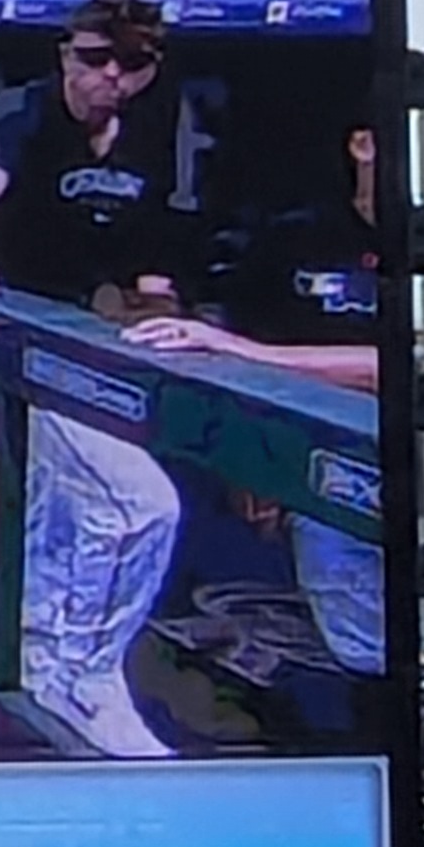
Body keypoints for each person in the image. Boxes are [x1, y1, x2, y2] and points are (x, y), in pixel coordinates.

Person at [0, 0, 203, 758]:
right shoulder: (21, 112)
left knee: (62, 508)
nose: (109, 76)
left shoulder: (157, 128)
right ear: (64, 55)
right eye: (93, 58)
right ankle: (88, 678)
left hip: (84, 339)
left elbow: (153, 254)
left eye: (131, 63)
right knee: (141, 506)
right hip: (6, 331)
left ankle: (54, 671)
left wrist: (161, 317)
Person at [127, 111, 386, 679]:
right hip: (326, 469)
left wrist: (243, 350)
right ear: (362, 143)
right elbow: (246, 337)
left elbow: (405, 369)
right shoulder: (299, 236)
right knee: (361, 651)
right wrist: (256, 464)